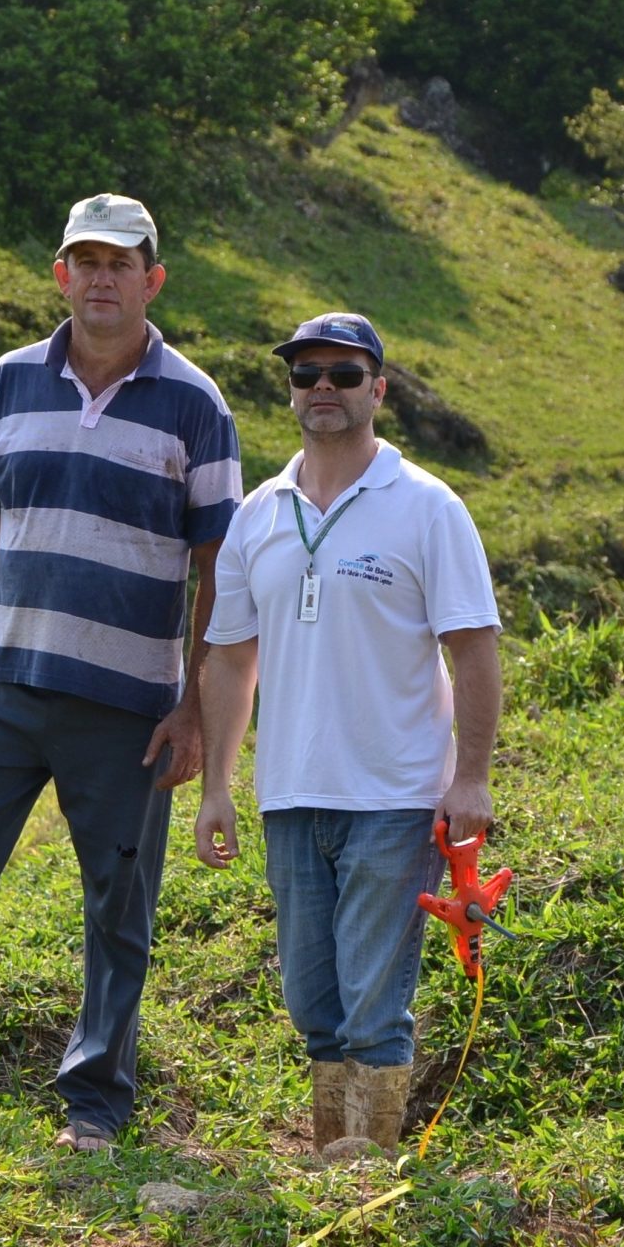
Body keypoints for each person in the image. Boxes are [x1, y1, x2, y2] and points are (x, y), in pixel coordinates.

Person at [0, 193, 242, 1154]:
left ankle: (95, 1105)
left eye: (122, 263)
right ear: (61, 274)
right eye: (87, 260)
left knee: (118, 901)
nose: (103, 279)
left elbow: (221, 569)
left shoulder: (196, 405)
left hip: (127, 705)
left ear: (153, 280)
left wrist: (195, 709)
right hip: (3, 679)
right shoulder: (7, 382)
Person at [193, 313, 502, 1157]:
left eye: (343, 372)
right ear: (289, 390)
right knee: (312, 1000)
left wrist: (469, 777)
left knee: (373, 1001)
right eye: (305, 374)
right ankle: (340, 1145)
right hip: (290, 793)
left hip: (394, 796)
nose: (322, 386)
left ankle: (362, 1166)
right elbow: (227, 660)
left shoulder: (428, 507)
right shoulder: (258, 514)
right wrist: (218, 785)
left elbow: (472, 646)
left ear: (379, 388)